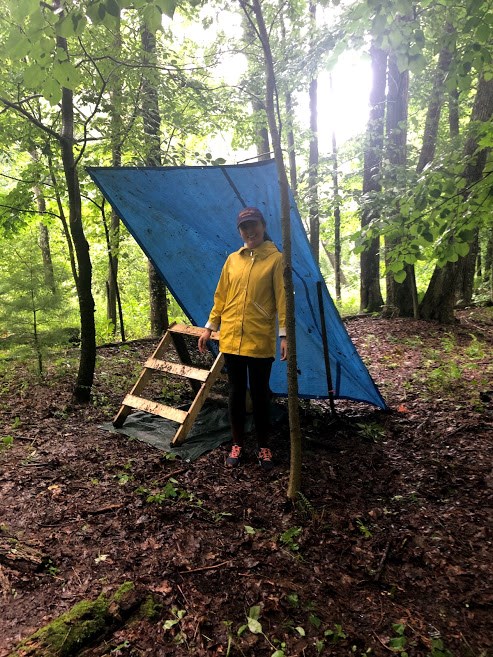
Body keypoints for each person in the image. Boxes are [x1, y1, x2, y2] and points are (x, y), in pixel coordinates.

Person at [198, 206, 287, 470]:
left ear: (263, 225)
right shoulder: (232, 260)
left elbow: (282, 299)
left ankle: (264, 447)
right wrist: (210, 327)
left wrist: (284, 335)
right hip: (231, 338)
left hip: (258, 339)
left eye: (254, 225)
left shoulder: (275, 259)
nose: (250, 231)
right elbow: (221, 296)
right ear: (240, 231)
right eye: (244, 227)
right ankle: (237, 443)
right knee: (236, 394)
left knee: (260, 395)